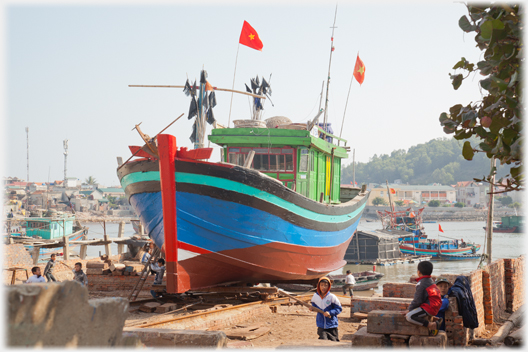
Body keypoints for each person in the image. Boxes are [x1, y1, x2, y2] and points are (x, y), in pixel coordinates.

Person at [405, 261, 443, 335]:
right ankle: (436, 319)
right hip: (435, 306)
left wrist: (409, 310)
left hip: (430, 307)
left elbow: (417, 300)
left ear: (418, 272)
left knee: (409, 316)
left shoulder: (421, 284)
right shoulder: (430, 281)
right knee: (415, 311)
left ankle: (431, 325)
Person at [310, 277, 343, 341]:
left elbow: (339, 308)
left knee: (334, 341)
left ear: (329, 286)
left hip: (332, 324)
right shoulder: (315, 296)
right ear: (318, 286)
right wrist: (312, 308)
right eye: (321, 285)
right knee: (323, 341)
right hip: (321, 324)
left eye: (326, 285)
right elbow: (313, 305)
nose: (323, 287)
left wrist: (330, 312)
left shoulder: (332, 297)